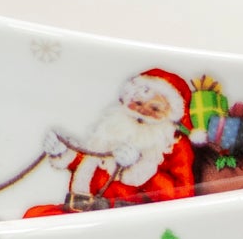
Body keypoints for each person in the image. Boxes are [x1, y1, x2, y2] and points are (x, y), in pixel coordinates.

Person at [26, 69, 198, 216]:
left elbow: (181, 196)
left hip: (126, 220)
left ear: (171, 114)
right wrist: (63, 152)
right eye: (138, 103)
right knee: (34, 216)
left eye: (155, 109)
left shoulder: (173, 145)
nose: (142, 111)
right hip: (80, 210)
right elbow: (91, 159)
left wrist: (142, 170)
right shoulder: (113, 128)